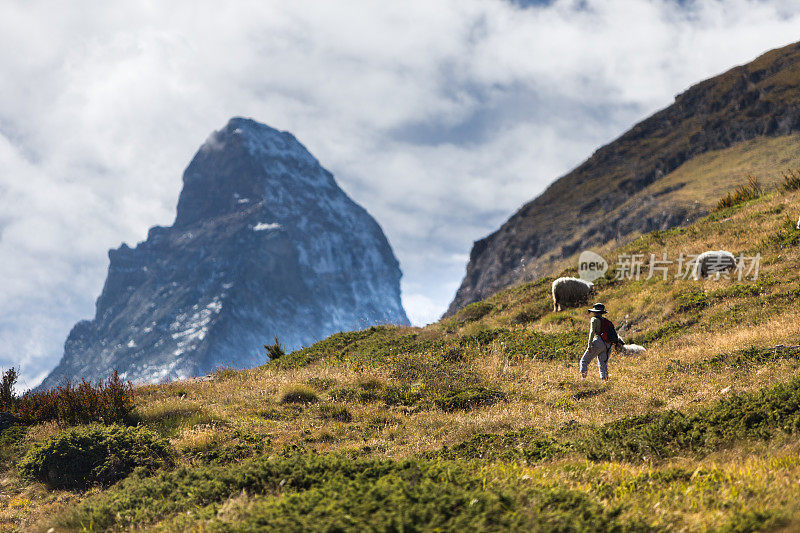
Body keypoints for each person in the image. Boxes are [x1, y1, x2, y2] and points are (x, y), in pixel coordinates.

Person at [579, 303, 619, 381]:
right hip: (607, 344)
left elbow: (591, 332)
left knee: (584, 361)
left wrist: (589, 345)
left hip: (598, 341)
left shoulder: (594, 319)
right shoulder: (606, 321)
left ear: (594, 311)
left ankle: (583, 380)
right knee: (602, 363)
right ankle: (605, 381)